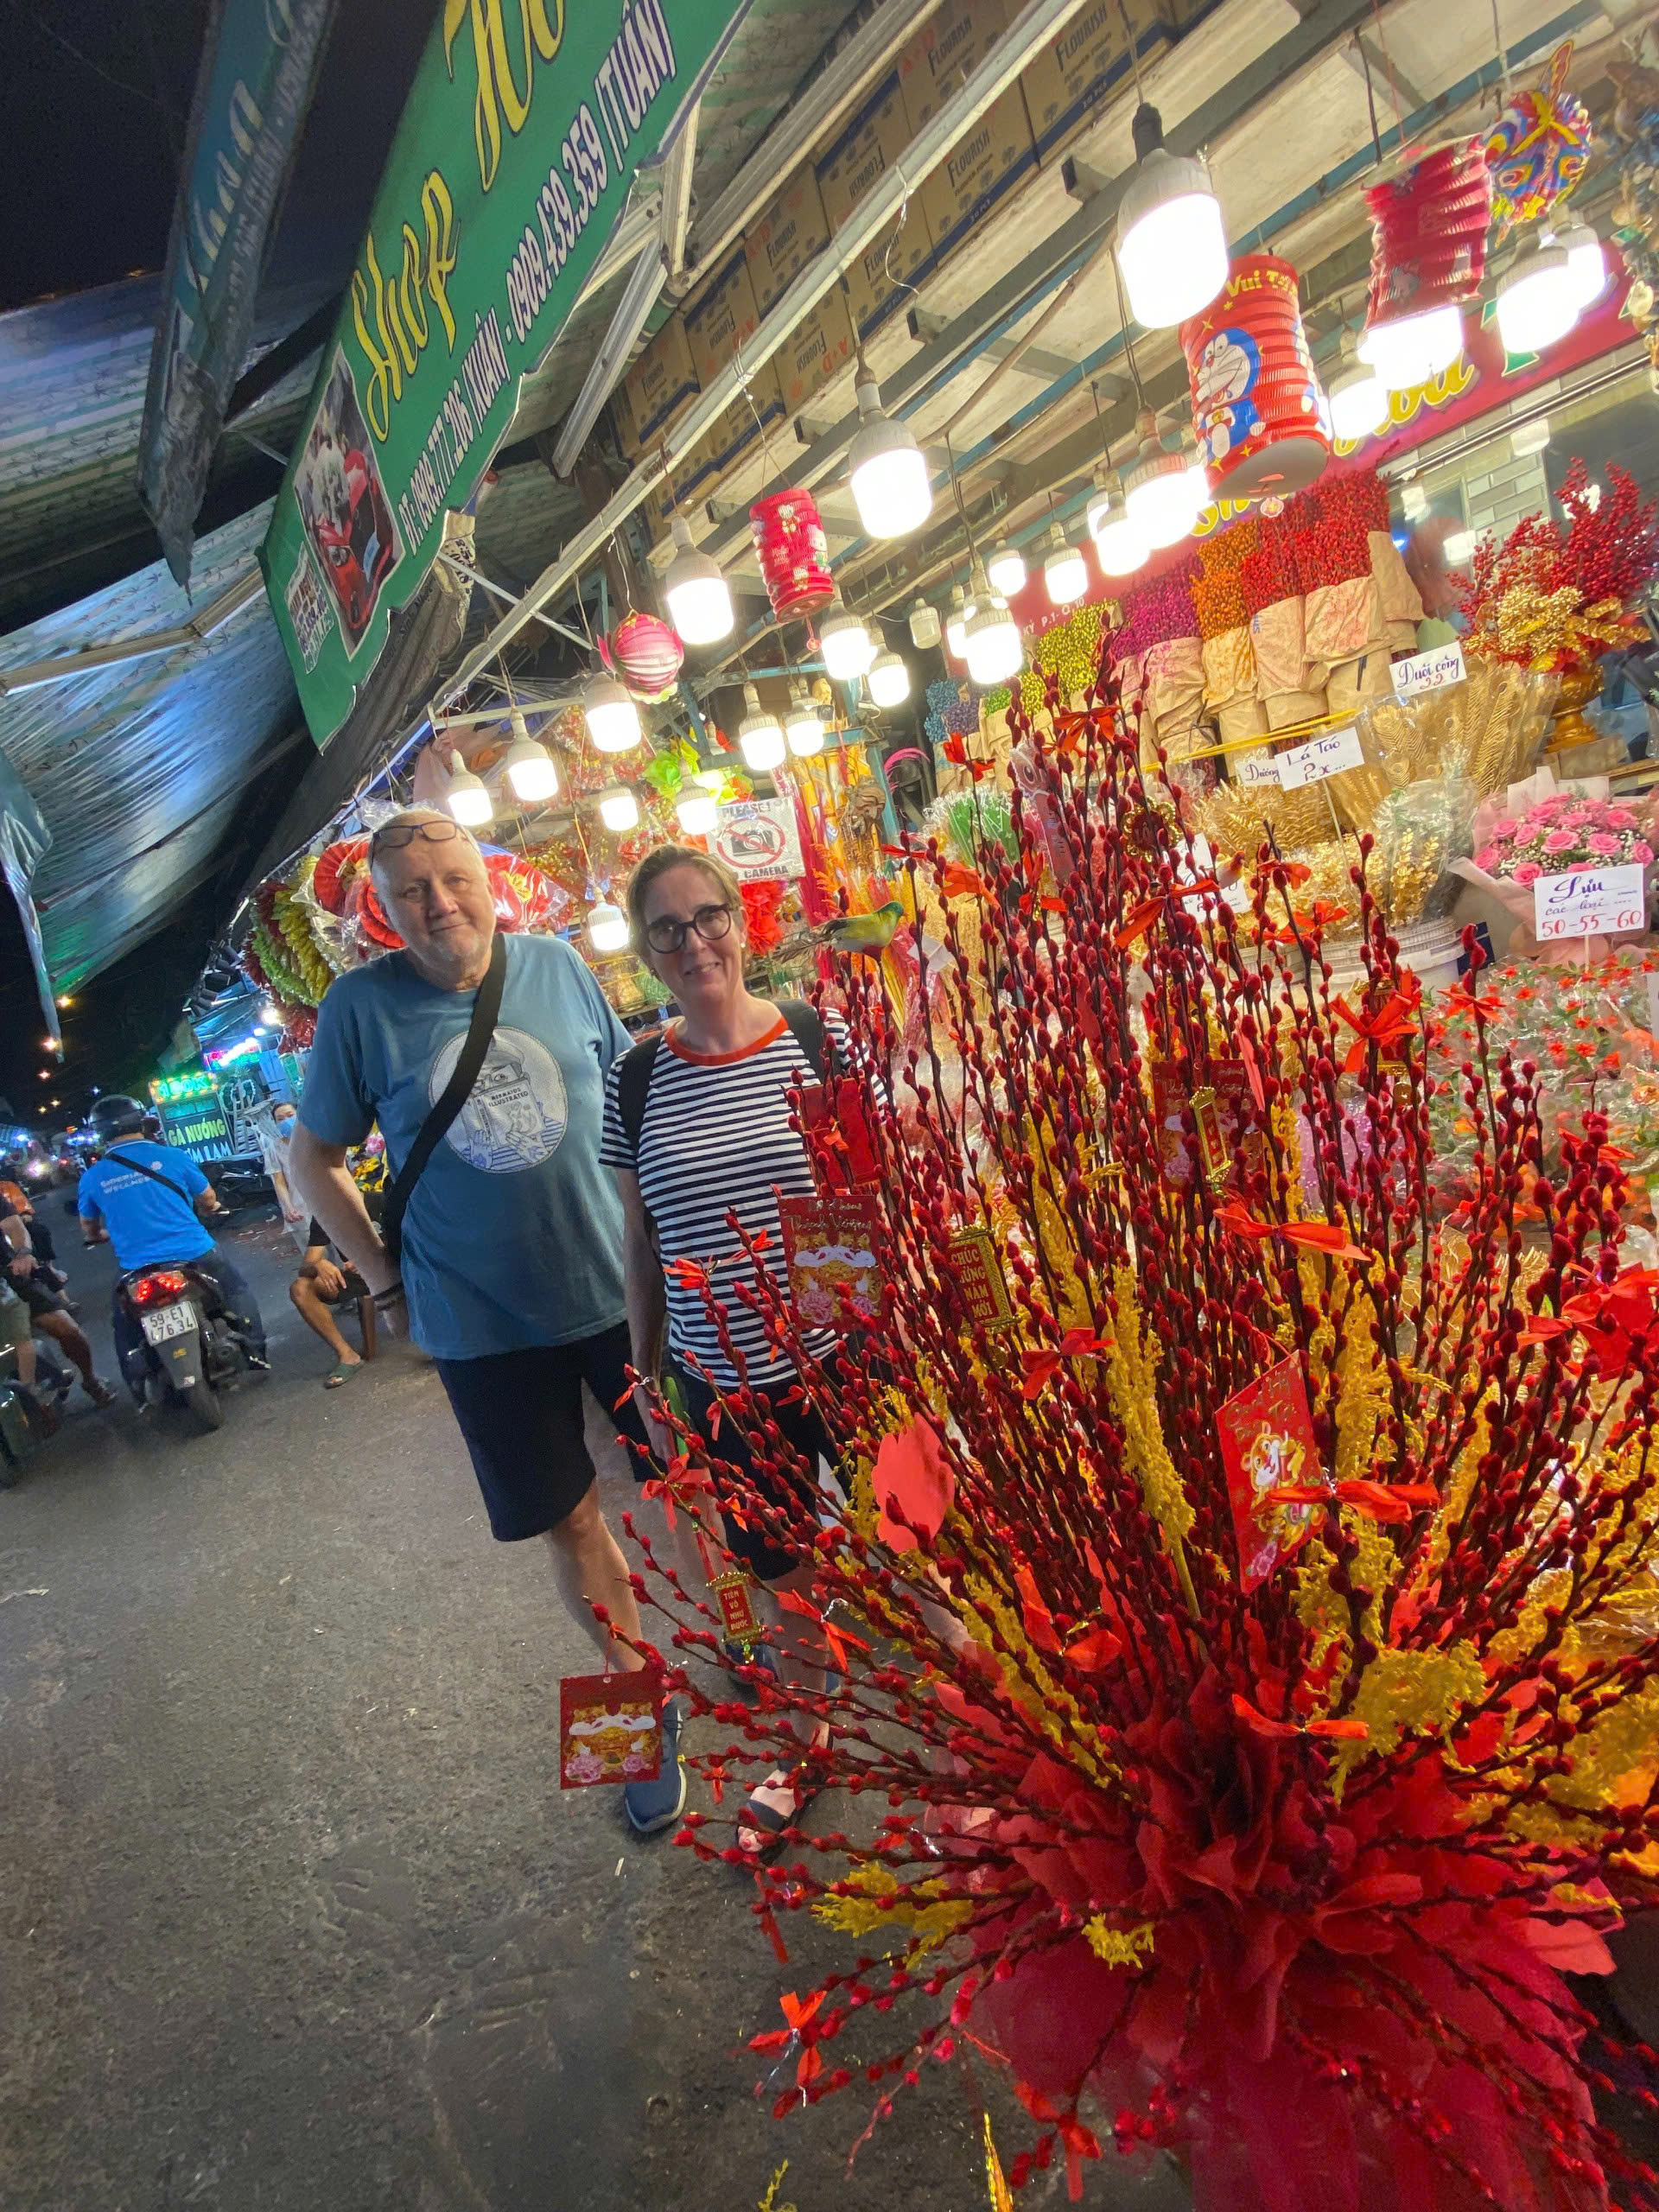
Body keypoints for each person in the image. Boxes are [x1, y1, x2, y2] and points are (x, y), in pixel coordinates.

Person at [285, 808, 684, 1835]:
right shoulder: (357, 1010)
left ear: (487, 878)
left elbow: (631, 1105)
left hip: (618, 1295)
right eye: (413, 889)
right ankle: (635, 1704)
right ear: (382, 904)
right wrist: (379, 1280)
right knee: (572, 1516)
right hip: (480, 1323)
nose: (440, 903)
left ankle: (770, 1658)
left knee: (704, 1478)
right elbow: (314, 1161)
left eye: (454, 877)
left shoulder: (555, 964)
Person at [601, 844, 855, 1853]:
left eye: (707, 917)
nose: (693, 941)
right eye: (667, 928)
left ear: (740, 921)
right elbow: (640, 1240)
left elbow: (866, 1186)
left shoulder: (813, 1036)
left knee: (919, 1544)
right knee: (782, 1571)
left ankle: (982, 1744)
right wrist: (648, 1376)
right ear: (647, 952)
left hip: (843, 1351)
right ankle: (813, 1737)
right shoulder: (635, 1080)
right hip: (723, 1380)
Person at [77, 1095, 267, 1394]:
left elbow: (89, 1226)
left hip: (136, 1268)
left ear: (101, 1133)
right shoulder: (173, 1157)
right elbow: (207, 1199)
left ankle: (137, 1387)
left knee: (123, 1323)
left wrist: (98, 1236)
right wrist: (212, 1208)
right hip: (195, 1252)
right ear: (142, 1122)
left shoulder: (93, 1176)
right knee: (235, 1289)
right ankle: (255, 1350)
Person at [0, 1206, 111, 1406]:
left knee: (68, 1330)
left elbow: (15, 1227)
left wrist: (23, 1253)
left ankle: (90, 1380)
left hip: (8, 1276)